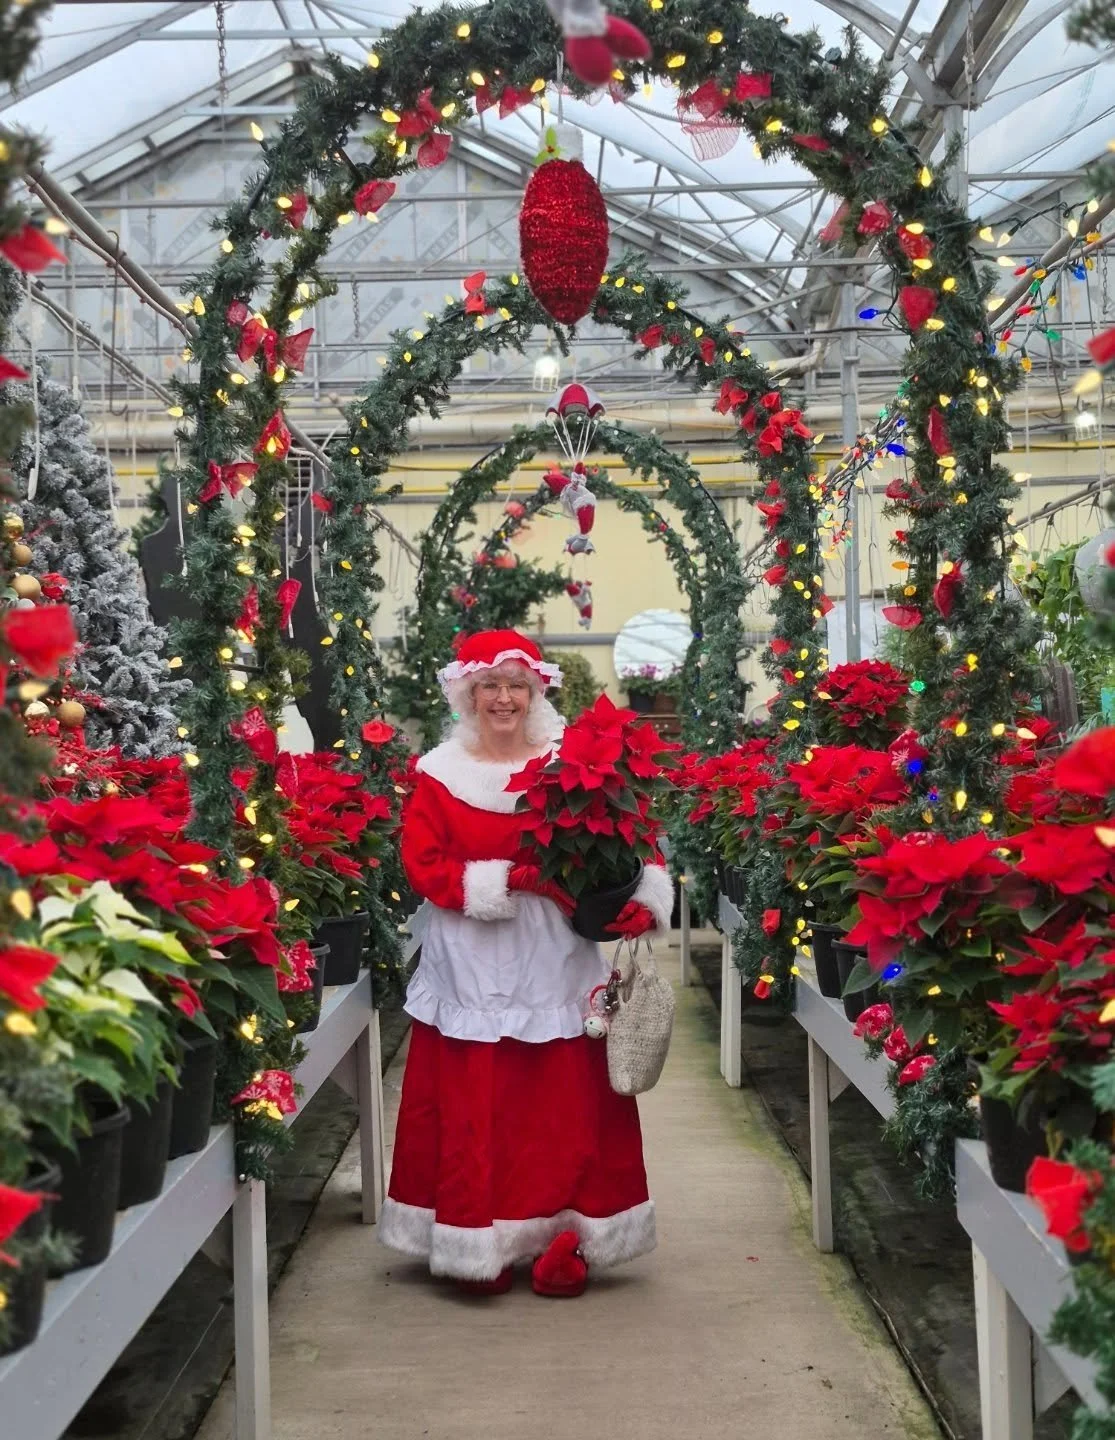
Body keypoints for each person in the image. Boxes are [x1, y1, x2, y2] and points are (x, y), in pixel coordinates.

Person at [378, 629, 673, 1297]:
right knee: (475, 1094)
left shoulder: (570, 764)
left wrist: (644, 899)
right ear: (468, 694)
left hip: (555, 950)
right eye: (489, 686)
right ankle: (472, 1236)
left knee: (558, 1099)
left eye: (516, 685)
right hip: (472, 956)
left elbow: (637, 838)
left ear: (535, 692)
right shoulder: (437, 772)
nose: (503, 698)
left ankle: (562, 1235)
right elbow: (424, 865)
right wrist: (510, 881)